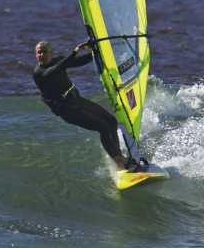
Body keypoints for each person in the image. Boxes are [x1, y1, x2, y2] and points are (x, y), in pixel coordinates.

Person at [32, 40, 140, 171]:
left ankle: (120, 157)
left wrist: (95, 52)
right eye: (39, 52)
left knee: (111, 121)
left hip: (76, 100)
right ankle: (119, 163)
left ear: (51, 53)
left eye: (44, 52)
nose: (41, 55)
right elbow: (57, 69)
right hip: (66, 110)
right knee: (102, 127)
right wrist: (75, 51)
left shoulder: (58, 61)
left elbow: (79, 62)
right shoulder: (38, 73)